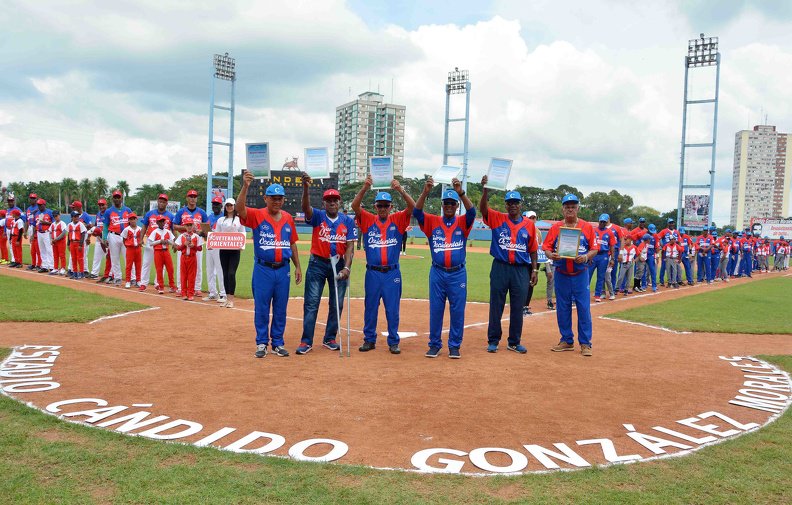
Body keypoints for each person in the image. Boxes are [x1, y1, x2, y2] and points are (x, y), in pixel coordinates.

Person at [237, 171, 302, 359]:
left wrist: (297, 266)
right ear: (265, 198)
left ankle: (278, 343)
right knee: (262, 307)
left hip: (283, 269)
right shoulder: (257, 215)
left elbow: (292, 243)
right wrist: (245, 186)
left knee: (281, 308)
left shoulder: (288, 218)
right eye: (273, 198)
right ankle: (262, 342)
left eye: (280, 198)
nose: (277, 201)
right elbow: (240, 209)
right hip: (263, 269)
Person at [351, 174, 415, 354]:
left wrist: (400, 189)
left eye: (386, 205)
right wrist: (365, 187)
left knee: (392, 309)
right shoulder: (368, 219)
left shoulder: (398, 219)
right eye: (380, 205)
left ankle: (393, 341)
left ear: (391, 207)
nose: (383, 208)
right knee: (370, 307)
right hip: (373, 273)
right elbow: (355, 206)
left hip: (392, 273)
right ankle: (369, 340)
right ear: (375, 207)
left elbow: (413, 207)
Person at [414, 176, 475, 359]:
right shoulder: (432, 221)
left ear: (457, 206)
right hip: (438, 272)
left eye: (452, 203)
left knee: (457, 310)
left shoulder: (463, 222)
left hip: (458, 273)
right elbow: (417, 212)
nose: (449, 206)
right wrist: (425, 192)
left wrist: (460, 192)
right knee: (436, 310)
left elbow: (472, 211)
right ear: (442, 205)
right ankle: (434, 344)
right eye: (446, 203)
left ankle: (454, 345)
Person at [296, 173, 357, 355]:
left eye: (335, 200)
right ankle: (306, 341)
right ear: (324, 203)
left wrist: (347, 267)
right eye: (328, 201)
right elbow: (305, 208)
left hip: (339, 264)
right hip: (317, 264)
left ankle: (330, 338)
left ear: (339, 203)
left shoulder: (347, 221)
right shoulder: (318, 216)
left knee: (337, 303)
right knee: (311, 303)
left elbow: (350, 246)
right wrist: (306, 188)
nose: (332, 203)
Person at [479, 176, 538, 354]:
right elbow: (483, 209)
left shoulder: (529, 225)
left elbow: (533, 250)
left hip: (520, 270)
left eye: (516, 203)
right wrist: (485, 190)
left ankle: (514, 341)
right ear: (505, 205)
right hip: (500, 267)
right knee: (496, 304)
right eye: (510, 203)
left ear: (520, 205)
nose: (513, 205)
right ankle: (493, 340)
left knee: (518, 306)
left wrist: (534, 269)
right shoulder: (497, 218)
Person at [544, 193, 599, 356]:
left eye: (573, 207)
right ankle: (567, 340)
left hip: (580, 273)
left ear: (578, 208)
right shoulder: (556, 228)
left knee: (583, 308)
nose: (570, 209)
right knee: (562, 308)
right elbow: (546, 247)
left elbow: (595, 248)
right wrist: (551, 255)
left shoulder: (586, 227)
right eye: (567, 207)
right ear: (563, 209)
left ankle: (585, 343)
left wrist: (586, 257)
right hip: (561, 273)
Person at [173, 190, 209, 297]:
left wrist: (200, 231)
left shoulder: (202, 212)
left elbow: (207, 227)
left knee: (198, 266)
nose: (192, 198)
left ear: (196, 198)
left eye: (194, 197)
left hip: (197, 240)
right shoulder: (181, 212)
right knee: (181, 266)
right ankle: (180, 288)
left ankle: (197, 288)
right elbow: (174, 226)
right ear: (187, 198)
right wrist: (187, 227)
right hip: (184, 240)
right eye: (190, 196)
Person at [139, 194, 174, 292]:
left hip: (163, 244)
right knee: (146, 263)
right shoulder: (150, 213)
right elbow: (144, 227)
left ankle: (158, 284)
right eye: (160, 201)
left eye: (164, 201)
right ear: (157, 202)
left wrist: (175, 242)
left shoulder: (170, 216)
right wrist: (141, 239)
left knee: (162, 265)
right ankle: (143, 283)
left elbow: (173, 229)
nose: (161, 203)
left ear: (166, 203)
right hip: (151, 241)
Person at [214, 198, 246, 308]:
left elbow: (242, 233)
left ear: (234, 206)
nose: (229, 207)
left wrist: (241, 245)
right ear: (225, 207)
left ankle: (231, 299)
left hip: (234, 250)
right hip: (223, 250)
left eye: (231, 205)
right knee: (225, 274)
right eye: (227, 205)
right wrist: (212, 242)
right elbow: (217, 234)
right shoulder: (220, 220)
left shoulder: (239, 220)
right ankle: (227, 298)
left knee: (231, 273)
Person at [522, 210, 555, 313]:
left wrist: (547, 267)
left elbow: (540, 249)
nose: (532, 220)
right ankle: (521, 305)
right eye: (530, 218)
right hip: (524, 261)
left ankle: (526, 306)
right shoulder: (522, 229)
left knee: (531, 283)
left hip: (535, 260)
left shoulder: (538, 232)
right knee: (523, 283)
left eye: (534, 218)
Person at [102, 190, 132, 286]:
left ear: (121, 198)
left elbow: (132, 223)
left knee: (128, 257)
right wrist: (104, 237)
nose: (117, 199)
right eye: (115, 197)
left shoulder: (128, 210)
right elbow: (105, 226)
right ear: (113, 199)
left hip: (125, 236)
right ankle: (117, 278)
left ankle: (132, 278)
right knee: (114, 258)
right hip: (113, 236)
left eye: (118, 197)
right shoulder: (108, 211)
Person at [173, 216, 203, 301]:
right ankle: (183, 293)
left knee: (191, 276)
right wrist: (184, 244)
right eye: (187, 225)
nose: (189, 227)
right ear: (184, 226)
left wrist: (194, 246)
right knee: (183, 276)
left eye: (190, 225)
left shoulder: (196, 236)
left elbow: (200, 248)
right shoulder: (182, 236)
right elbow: (178, 248)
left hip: (192, 258)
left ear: (193, 226)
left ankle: (190, 293)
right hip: (184, 257)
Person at [204, 195, 227, 303]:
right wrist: (203, 232)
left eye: (217, 204)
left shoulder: (224, 217)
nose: (215, 206)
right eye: (214, 204)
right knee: (209, 270)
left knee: (220, 270)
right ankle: (212, 293)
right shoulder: (210, 217)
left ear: (221, 206)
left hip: (219, 246)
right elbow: (207, 231)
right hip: (210, 244)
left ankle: (223, 294)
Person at [590, 214, 616, 302]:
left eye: (604, 222)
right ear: (599, 221)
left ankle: (598, 295)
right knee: (588, 275)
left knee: (601, 277)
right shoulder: (593, 230)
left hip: (604, 255)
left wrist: (612, 258)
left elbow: (612, 246)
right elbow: (589, 243)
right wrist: (589, 256)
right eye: (601, 221)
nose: (602, 223)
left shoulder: (609, 232)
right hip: (593, 255)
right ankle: (584, 294)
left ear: (606, 222)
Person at [148, 215, 176, 294]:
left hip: (166, 251)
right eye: (160, 221)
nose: (162, 223)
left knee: (170, 269)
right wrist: (160, 241)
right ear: (157, 222)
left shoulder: (168, 231)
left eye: (163, 221)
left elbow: (173, 242)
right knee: (159, 269)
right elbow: (150, 243)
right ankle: (161, 286)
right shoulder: (155, 231)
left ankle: (172, 286)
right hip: (158, 252)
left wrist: (168, 242)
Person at [91, 199, 112, 282]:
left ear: (106, 205)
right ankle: (94, 273)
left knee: (109, 256)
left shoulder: (109, 213)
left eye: (103, 205)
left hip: (107, 236)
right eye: (99, 205)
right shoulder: (98, 214)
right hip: (98, 237)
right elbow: (96, 225)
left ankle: (110, 274)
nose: (101, 206)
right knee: (96, 256)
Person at [70, 201, 93, 275]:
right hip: (75, 237)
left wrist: (88, 237)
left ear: (78, 207)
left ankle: (85, 270)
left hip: (84, 236)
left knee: (83, 254)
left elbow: (91, 226)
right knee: (73, 255)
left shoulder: (86, 215)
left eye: (74, 207)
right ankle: (72, 270)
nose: (72, 208)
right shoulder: (74, 215)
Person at [120, 213, 143, 288]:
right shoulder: (126, 229)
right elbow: (124, 239)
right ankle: (128, 281)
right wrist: (127, 246)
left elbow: (141, 238)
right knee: (129, 266)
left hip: (138, 248)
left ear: (137, 219)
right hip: (130, 249)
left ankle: (138, 280)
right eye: (131, 219)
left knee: (138, 265)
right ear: (128, 220)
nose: (133, 221)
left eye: (134, 219)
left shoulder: (140, 229)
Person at [34, 198, 54, 273]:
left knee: (49, 249)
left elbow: (54, 223)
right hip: (39, 233)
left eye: (40, 205)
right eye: (38, 205)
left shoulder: (49, 212)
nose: (39, 206)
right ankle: (45, 266)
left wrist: (45, 223)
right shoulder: (37, 213)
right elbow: (35, 224)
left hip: (47, 233)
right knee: (42, 250)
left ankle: (51, 266)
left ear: (44, 205)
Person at [66, 211, 87, 279]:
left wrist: (81, 244)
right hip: (72, 243)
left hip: (78, 243)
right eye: (75, 216)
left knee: (80, 258)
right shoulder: (69, 225)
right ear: (72, 218)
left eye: (77, 216)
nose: (77, 218)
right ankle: (75, 273)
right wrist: (68, 244)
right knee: (73, 258)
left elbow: (83, 234)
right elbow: (69, 234)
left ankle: (81, 273)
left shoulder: (81, 224)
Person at [49, 210, 67, 275]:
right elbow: (50, 232)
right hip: (54, 242)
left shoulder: (62, 223)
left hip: (61, 241)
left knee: (62, 255)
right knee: (55, 255)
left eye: (56, 216)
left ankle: (63, 268)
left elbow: (64, 233)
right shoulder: (53, 224)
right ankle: (55, 268)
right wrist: (51, 239)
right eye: (54, 216)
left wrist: (56, 239)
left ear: (59, 215)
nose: (55, 217)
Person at [26, 193, 41, 270]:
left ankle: (39, 264)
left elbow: (40, 221)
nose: (32, 200)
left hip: (37, 228)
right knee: (32, 248)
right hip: (30, 227)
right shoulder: (28, 209)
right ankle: (33, 264)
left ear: (36, 199)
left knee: (38, 248)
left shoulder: (39, 208)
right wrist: (25, 231)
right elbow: (26, 220)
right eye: (31, 198)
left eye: (33, 198)